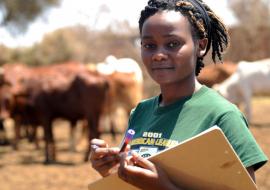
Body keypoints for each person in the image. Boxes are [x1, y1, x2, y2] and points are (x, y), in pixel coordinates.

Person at [89, 0, 268, 189]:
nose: (158, 54)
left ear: (201, 46)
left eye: (172, 43)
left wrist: (163, 187)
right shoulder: (140, 112)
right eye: (149, 45)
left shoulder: (223, 116)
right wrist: (112, 169)